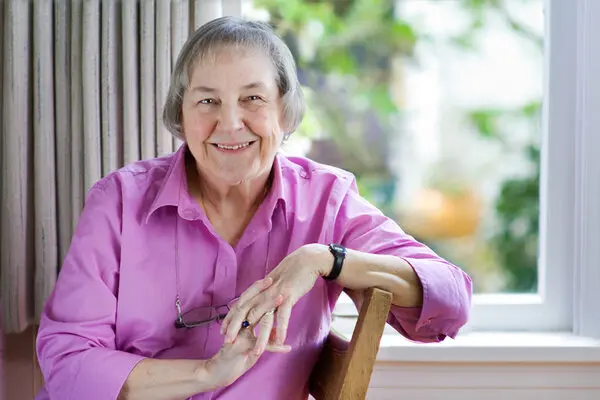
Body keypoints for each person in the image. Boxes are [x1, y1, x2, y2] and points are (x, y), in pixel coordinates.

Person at [35, 16, 472, 400]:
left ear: (284, 110)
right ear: (180, 114)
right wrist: (205, 374)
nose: (229, 123)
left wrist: (324, 259)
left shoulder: (326, 200)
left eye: (253, 99)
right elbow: (67, 361)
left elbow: (451, 298)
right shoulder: (119, 201)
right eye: (207, 100)